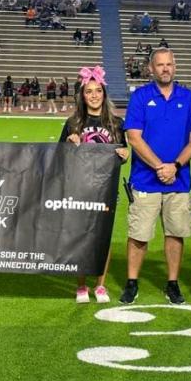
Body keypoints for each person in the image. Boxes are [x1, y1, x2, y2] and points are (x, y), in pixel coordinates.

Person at [118, 48, 191, 305]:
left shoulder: (189, 98)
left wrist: (174, 166)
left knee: (175, 233)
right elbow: (134, 138)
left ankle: (172, 283)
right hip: (145, 179)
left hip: (178, 179)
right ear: (151, 69)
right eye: (160, 65)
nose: (165, 69)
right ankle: (132, 282)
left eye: (169, 64)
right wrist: (159, 167)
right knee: (139, 234)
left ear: (175, 67)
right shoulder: (140, 96)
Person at [60, 66, 129, 303]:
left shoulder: (116, 123)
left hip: (106, 189)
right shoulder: (73, 122)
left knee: (103, 238)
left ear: (104, 93)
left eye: (98, 90)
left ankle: (100, 285)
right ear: (82, 95)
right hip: (80, 188)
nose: (94, 95)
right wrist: (69, 144)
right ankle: (81, 286)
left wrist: (125, 155)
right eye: (89, 91)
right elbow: (60, 156)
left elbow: (122, 153)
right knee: (82, 236)